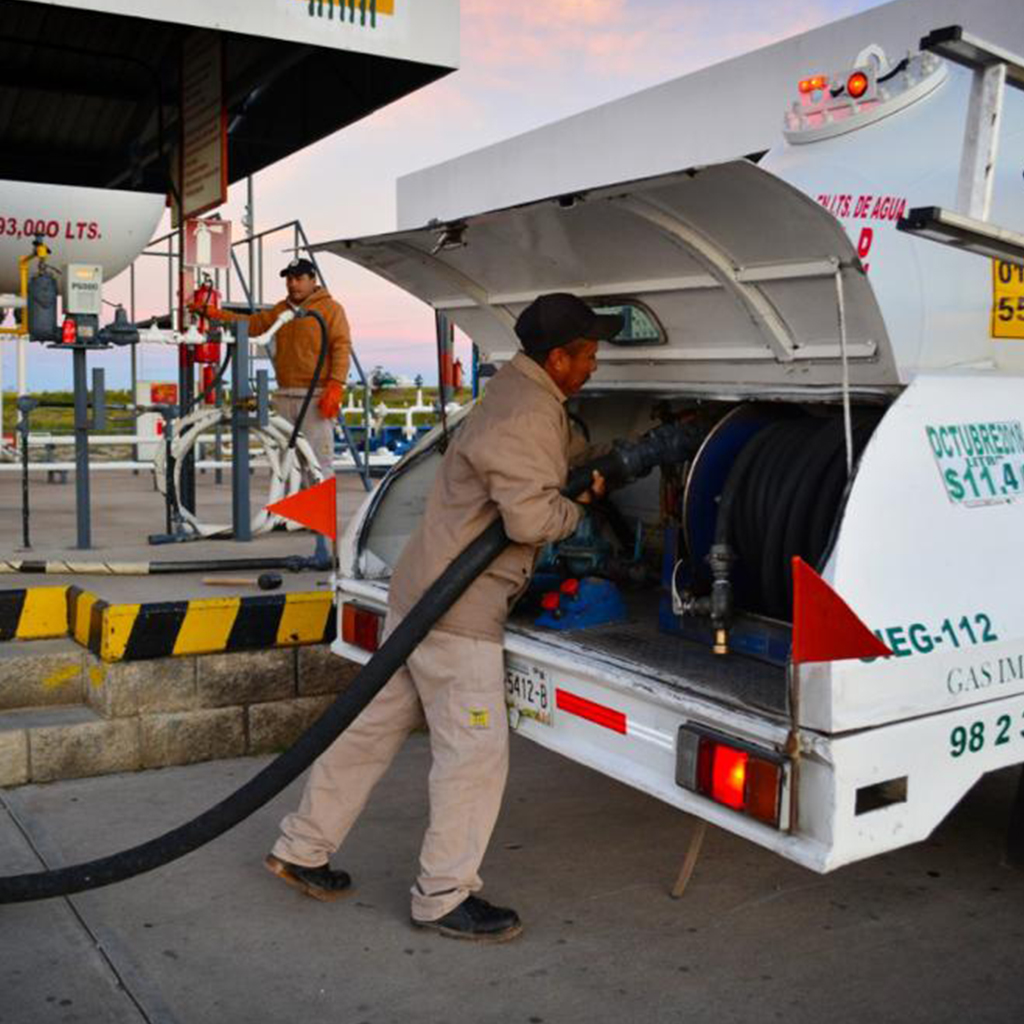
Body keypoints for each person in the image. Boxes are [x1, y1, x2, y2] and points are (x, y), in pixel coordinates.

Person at [264, 292, 622, 943]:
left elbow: (539, 468)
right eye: (590, 355)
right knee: (473, 757)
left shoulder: (516, 393)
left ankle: (302, 847)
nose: (595, 366)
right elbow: (531, 519)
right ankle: (443, 896)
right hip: (457, 613)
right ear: (559, 356)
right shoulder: (522, 415)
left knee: (368, 731)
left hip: (420, 596)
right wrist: (582, 507)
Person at [192, 257, 351, 478]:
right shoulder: (281, 309)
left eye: (298, 278)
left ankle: (320, 513)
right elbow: (253, 325)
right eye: (289, 279)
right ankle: (291, 512)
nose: (292, 284)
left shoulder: (331, 309)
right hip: (285, 394)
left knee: (316, 464)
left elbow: (341, 346)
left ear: (312, 279)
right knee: (287, 464)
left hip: (316, 397)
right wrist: (216, 315)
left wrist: (336, 384)